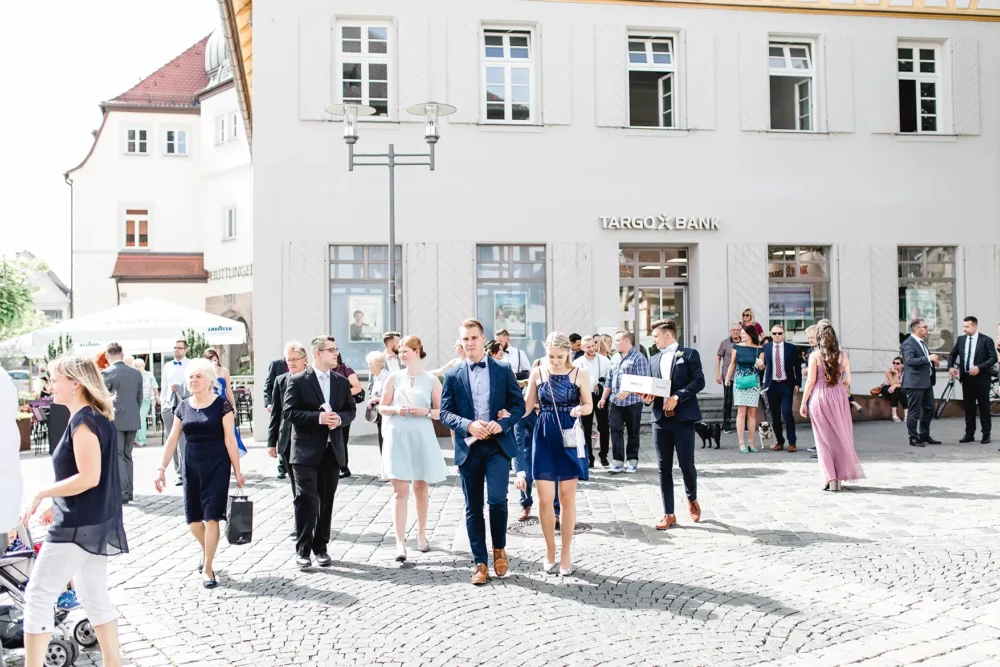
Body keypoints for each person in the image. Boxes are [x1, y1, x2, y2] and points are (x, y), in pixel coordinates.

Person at [21, 354, 127, 667]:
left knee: (38, 595)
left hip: (77, 527)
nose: (50, 385)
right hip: (90, 521)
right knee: (94, 596)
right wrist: (58, 503)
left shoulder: (84, 421)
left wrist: (44, 493)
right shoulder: (93, 417)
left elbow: (88, 477)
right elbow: (87, 476)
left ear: (75, 383)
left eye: (55, 379)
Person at [440, 319, 525, 585]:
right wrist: (468, 425)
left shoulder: (502, 368)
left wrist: (503, 423)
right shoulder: (453, 374)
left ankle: (499, 548)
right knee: (472, 507)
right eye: (464, 339)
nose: (469, 344)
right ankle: (479, 562)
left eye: (473, 338)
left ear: (483, 338)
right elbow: (444, 412)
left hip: (498, 446)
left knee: (497, 500)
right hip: (469, 448)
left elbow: (518, 405)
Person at [154, 360, 244, 587]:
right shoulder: (183, 407)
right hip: (191, 467)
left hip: (217, 466)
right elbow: (172, 439)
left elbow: (230, 439)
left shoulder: (222, 405)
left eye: (198, 377)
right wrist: (161, 468)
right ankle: (208, 551)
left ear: (208, 381)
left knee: (212, 517)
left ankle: (208, 567)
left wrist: (238, 470)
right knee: (193, 521)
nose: (193, 381)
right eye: (190, 377)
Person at [520, 332, 591, 575]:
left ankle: (566, 552)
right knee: (544, 499)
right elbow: (527, 406)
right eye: (551, 356)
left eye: (560, 356)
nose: (556, 361)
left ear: (568, 353)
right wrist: (506, 412)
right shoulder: (537, 373)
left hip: (570, 433)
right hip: (544, 433)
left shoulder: (579, 374)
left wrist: (581, 409)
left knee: (568, 497)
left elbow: (589, 405)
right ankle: (550, 549)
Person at [283, 336, 356, 568]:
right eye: (331, 350)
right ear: (317, 354)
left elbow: (350, 411)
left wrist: (339, 420)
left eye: (336, 349)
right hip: (304, 452)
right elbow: (289, 413)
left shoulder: (341, 382)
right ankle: (303, 550)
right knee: (306, 499)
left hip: (331, 451)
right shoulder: (297, 381)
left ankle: (321, 547)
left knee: (326, 501)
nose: (336, 354)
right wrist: (319, 418)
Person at [378, 336, 448, 561]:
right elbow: (382, 407)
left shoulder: (431, 380)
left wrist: (425, 412)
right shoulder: (394, 377)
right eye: (400, 352)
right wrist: (396, 409)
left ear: (418, 351)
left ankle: (421, 534)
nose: (402, 355)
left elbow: (442, 412)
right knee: (400, 492)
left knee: (420, 488)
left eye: (406, 351)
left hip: (421, 437)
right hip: (397, 436)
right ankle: (400, 543)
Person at [642, 320, 704, 530]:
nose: (654, 340)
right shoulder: (653, 359)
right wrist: (646, 398)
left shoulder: (689, 354)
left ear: (667, 335)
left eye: (656, 336)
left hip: (683, 417)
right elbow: (652, 387)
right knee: (663, 467)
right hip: (660, 419)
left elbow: (699, 381)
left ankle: (692, 498)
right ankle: (668, 513)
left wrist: (678, 396)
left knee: (686, 464)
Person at [800, 323, 865, 491]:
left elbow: (811, 381)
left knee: (823, 439)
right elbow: (848, 381)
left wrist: (803, 402)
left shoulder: (815, 356)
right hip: (839, 396)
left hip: (820, 396)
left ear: (820, 339)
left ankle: (830, 478)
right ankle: (839, 478)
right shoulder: (843, 356)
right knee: (839, 437)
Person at [600, 331, 650, 474]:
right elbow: (609, 379)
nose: (615, 343)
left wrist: (628, 391)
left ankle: (632, 461)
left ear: (627, 340)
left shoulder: (639, 358)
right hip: (615, 401)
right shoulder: (615, 358)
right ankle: (617, 462)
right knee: (615, 430)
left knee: (633, 432)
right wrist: (604, 398)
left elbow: (643, 381)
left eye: (617, 340)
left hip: (633, 402)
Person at [101, 343, 143, 504]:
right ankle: (129, 491)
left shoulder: (106, 373)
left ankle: (123, 493)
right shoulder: (136, 373)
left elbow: (104, 399)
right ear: (122, 354)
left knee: (118, 456)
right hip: (133, 417)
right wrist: (133, 412)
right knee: (127, 455)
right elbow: (139, 398)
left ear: (107, 355)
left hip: (115, 419)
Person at [268, 341, 310, 499]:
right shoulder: (281, 380)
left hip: (308, 439)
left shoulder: (312, 378)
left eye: (295, 359)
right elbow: (276, 413)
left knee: (309, 483)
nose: (291, 363)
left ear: (305, 359)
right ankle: (300, 516)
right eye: (288, 360)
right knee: (295, 484)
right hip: (287, 438)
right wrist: (272, 442)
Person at [948, 316, 997, 444]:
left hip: (982, 378)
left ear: (975, 326)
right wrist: (950, 367)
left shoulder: (986, 340)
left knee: (984, 407)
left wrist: (980, 367)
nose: (965, 329)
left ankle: (986, 434)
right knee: (969, 407)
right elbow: (952, 354)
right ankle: (969, 433)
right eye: (964, 326)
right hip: (967, 378)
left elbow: (993, 358)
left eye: (967, 326)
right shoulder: (961, 340)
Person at [760, 325, 802, 452]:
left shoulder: (791, 348)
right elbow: (763, 366)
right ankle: (779, 441)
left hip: (786, 384)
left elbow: (797, 367)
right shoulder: (766, 348)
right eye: (774, 333)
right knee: (775, 415)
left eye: (779, 333)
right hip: (772, 385)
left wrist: (797, 383)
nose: (777, 335)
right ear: (771, 335)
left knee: (787, 413)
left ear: (784, 334)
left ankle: (792, 442)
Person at [901, 318, 941, 447]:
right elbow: (910, 361)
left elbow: (922, 359)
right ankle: (913, 437)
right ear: (917, 329)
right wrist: (928, 358)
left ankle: (924, 434)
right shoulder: (908, 343)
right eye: (925, 327)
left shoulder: (921, 342)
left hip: (926, 381)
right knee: (914, 411)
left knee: (929, 408)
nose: (927, 330)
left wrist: (932, 361)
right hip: (915, 382)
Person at [574, 335, 611, 467]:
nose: (591, 348)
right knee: (586, 428)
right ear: (583, 348)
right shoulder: (577, 363)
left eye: (593, 345)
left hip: (600, 395)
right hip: (585, 395)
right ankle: (589, 457)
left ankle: (604, 456)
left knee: (603, 426)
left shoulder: (604, 360)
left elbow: (609, 377)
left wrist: (601, 386)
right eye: (588, 346)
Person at [726, 325, 763, 453]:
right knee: (741, 412)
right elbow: (732, 364)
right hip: (740, 380)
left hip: (754, 382)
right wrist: (727, 378)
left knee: (752, 413)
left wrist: (761, 365)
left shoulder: (759, 349)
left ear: (751, 334)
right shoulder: (736, 347)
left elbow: (762, 367)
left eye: (743, 333)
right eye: (741, 333)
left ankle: (751, 443)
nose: (741, 335)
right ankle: (741, 442)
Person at [161, 339, 191, 486]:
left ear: (186, 350)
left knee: (183, 440)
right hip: (169, 406)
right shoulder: (167, 366)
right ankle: (178, 472)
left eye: (180, 348)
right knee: (171, 439)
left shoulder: (190, 364)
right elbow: (164, 386)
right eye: (175, 348)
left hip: (185, 405)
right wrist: (163, 404)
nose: (177, 350)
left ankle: (186, 471)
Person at [333, 350, 364, 478]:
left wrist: (340, 395)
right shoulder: (322, 371)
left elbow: (357, 387)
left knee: (341, 438)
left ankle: (343, 467)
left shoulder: (346, 369)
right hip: (328, 409)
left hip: (344, 408)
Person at [263, 356, 290, 479]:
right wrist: (269, 403)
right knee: (280, 432)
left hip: (293, 406)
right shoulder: (276, 364)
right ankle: (281, 466)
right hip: (279, 404)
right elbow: (268, 385)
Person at [716, 323, 742, 434]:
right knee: (728, 401)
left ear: (741, 331)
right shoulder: (725, 343)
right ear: (730, 331)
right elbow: (717, 358)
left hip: (742, 377)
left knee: (742, 401)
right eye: (733, 330)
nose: (735, 332)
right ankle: (726, 425)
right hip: (728, 377)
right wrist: (718, 374)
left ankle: (743, 425)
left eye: (737, 330)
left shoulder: (745, 342)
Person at [365, 350, 390, 458]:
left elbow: (389, 395)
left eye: (369, 364)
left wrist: (374, 399)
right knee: (381, 437)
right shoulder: (376, 376)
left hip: (386, 412)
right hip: (380, 412)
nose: (368, 367)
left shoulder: (385, 376)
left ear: (377, 365)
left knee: (384, 437)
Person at [132, 359, 159, 447]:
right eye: (136, 366)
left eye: (140, 366)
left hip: (145, 400)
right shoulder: (132, 375)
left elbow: (154, 386)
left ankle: (142, 439)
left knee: (141, 417)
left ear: (143, 366)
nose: (139, 368)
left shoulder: (149, 375)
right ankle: (135, 439)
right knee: (135, 418)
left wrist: (156, 397)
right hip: (134, 400)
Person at [879, 358, 907, 423]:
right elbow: (892, 383)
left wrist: (895, 385)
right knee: (896, 390)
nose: (895, 364)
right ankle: (894, 415)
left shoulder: (905, 373)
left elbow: (905, 384)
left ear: (902, 365)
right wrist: (896, 375)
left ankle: (906, 415)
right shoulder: (889, 371)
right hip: (886, 388)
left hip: (897, 388)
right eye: (893, 363)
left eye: (897, 363)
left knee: (901, 391)